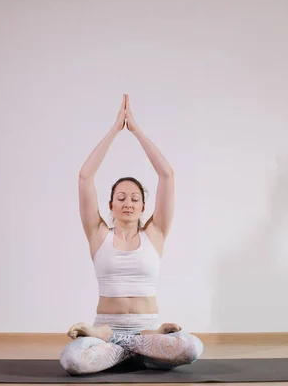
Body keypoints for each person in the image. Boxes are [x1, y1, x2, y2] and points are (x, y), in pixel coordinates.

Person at [58, 94, 204, 375]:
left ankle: (130, 348)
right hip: (107, 329)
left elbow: (167, 176)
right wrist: (115, 130)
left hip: (147, 332)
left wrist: (135, 130)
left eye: (135, 198)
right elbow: (85, 177)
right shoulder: (98, 234)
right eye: (121, 197)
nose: (128, 203)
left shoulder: (156, 233)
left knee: (192, 347)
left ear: (143, 207)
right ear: (111, 205)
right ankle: (128, 350)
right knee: (72, 360)